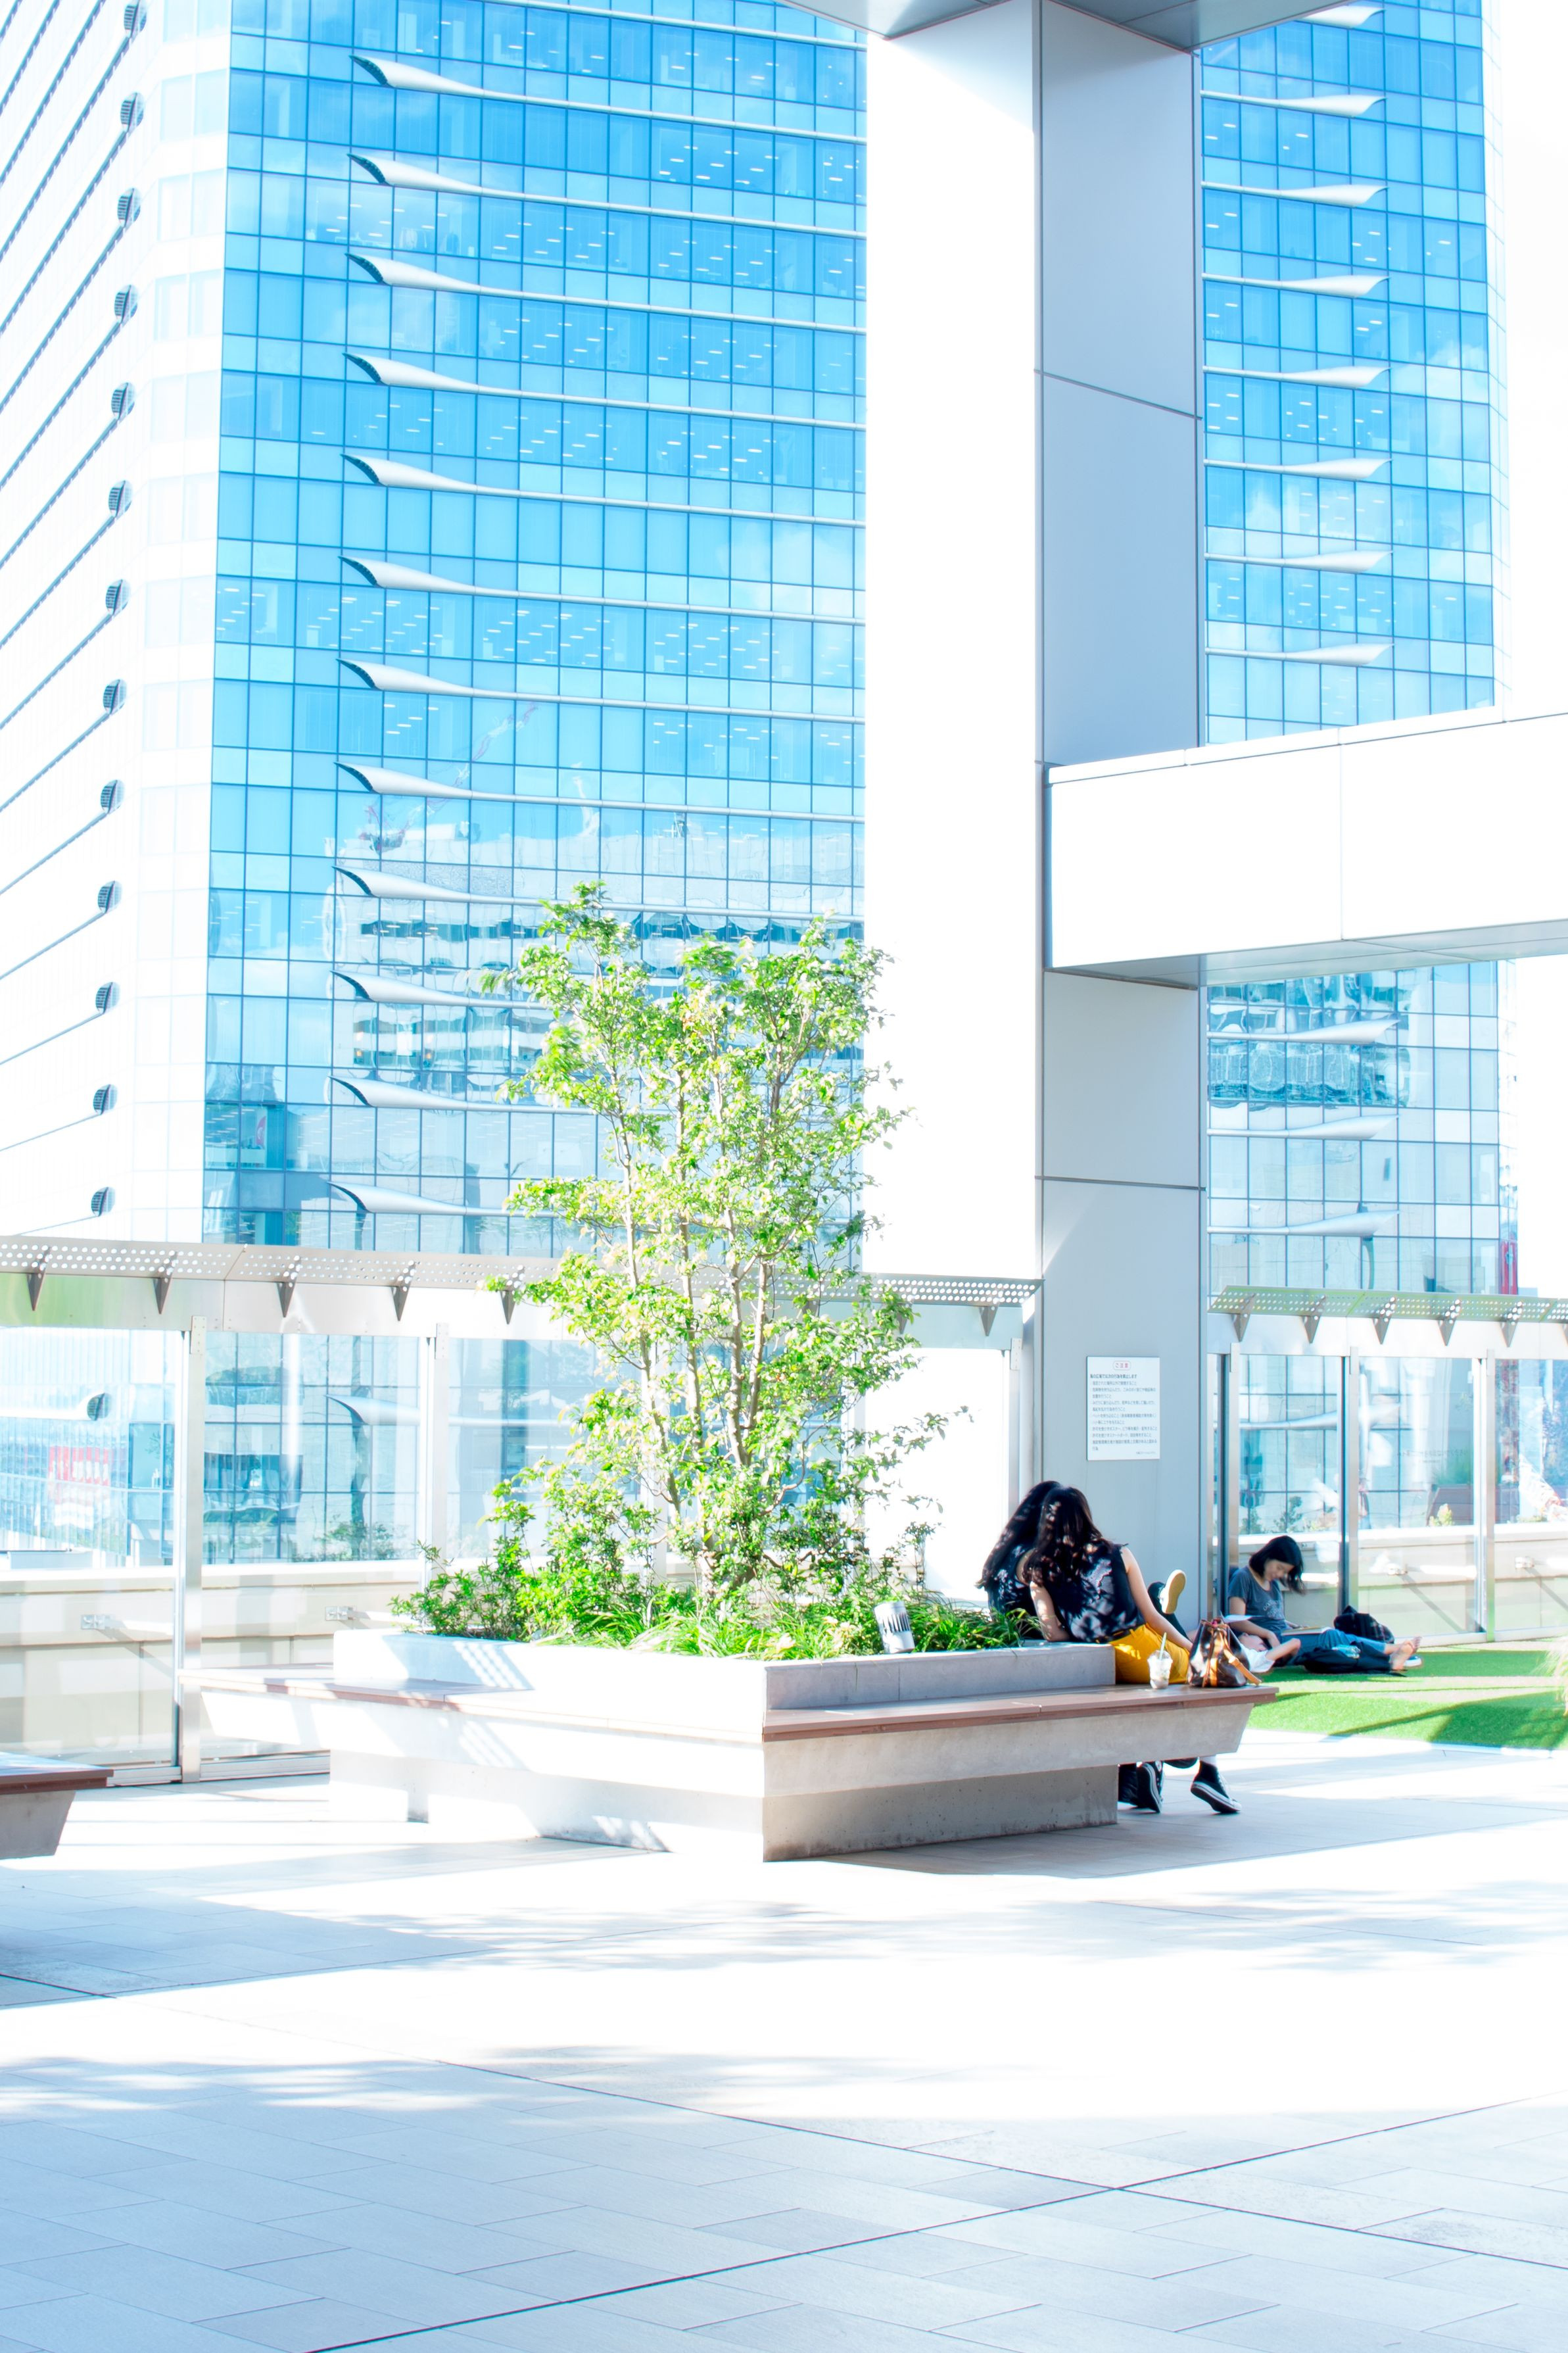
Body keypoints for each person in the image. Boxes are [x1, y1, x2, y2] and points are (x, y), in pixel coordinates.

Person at [1018, 1486, 1237, 1817]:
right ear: (1085, 1515)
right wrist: (1195, 1651)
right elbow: (1151, 1617)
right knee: (1204, 1677)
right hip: (1140, 1651)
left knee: (1153, 1694)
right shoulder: (1117, 1554)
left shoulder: (1038, 1570)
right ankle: (1208, 1772)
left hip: (1099, 1662)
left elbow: (1052, 1632)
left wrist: (1085, 1633)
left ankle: (1151, 1764)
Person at [1226, 1536, 1422, 1674]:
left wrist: (1293, 1626)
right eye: (1279, 1568)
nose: (1279, 1574)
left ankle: (1388, 1658)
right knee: (1331, 1637)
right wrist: (1269, 1634)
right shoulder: (1244, 1578)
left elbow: (1272, 1616)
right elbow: (1236, 1621)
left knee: (1333, 1644)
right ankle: (1392, 1651)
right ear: (1267, 1556)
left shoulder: (1271, 1582)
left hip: (1283, 1634)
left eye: (1283, 1571)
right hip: (1269, 1641)